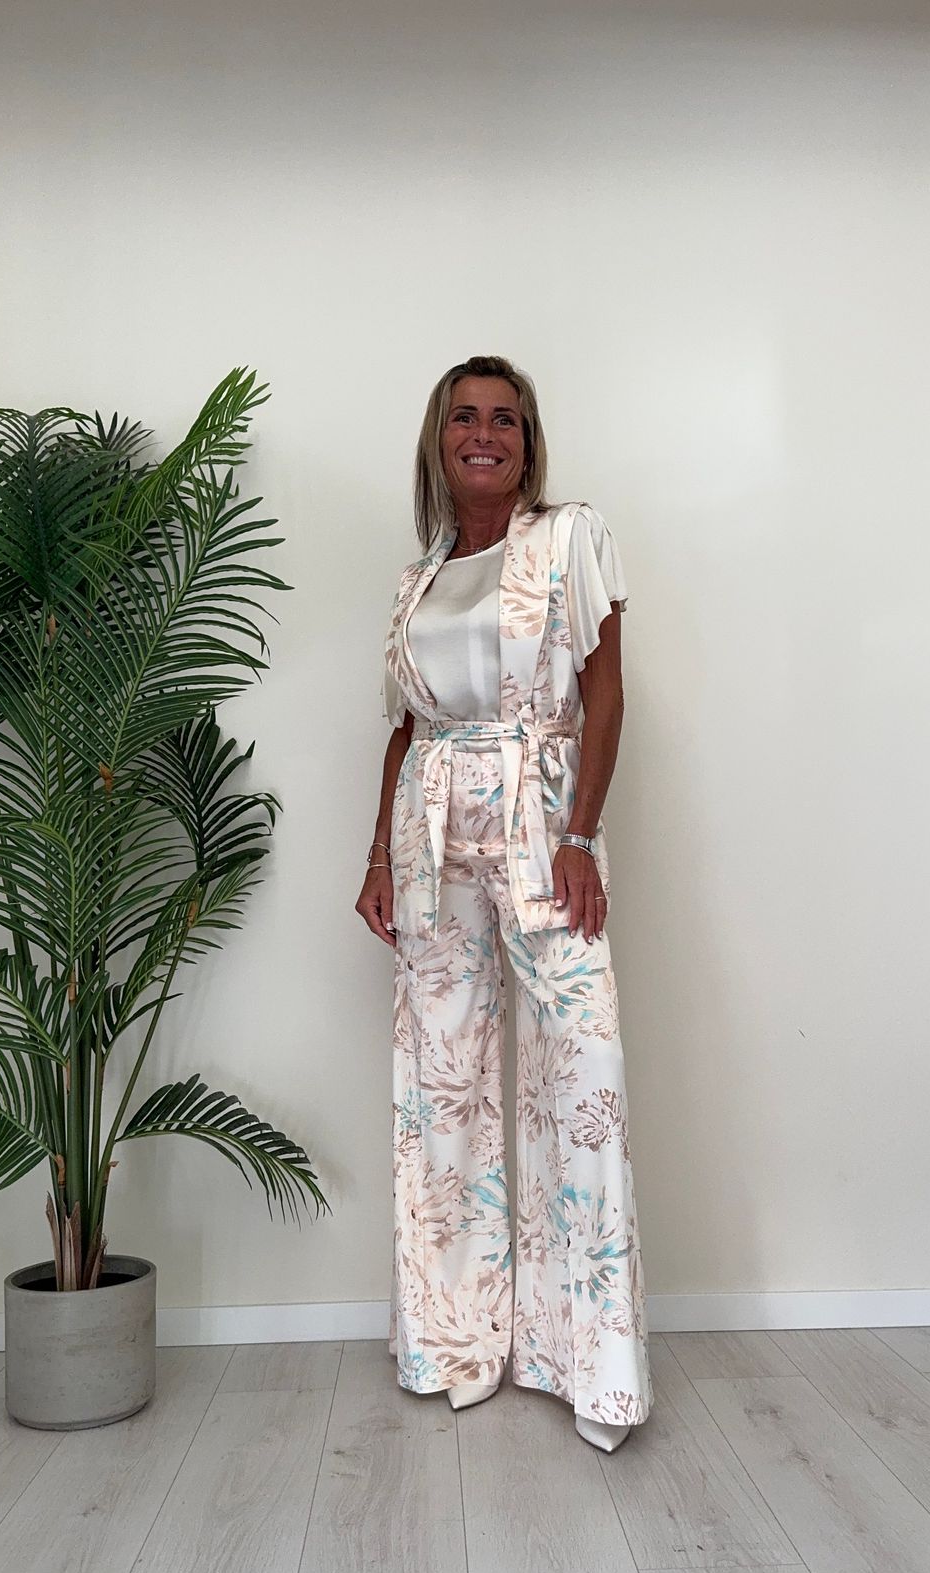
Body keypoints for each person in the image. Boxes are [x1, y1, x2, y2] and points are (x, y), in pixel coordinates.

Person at [356, 354, 652, 1453]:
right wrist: (378, 858)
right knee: (441, 1082)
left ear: (528, 445)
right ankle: (454, 1342)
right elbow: (407, 729)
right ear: (438, 441)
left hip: (540, 825)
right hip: (430, 840)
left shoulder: (568, 538)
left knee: (581, 1070)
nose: (484, 434)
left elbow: (605, 690)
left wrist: (578, 834)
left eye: (506, 420)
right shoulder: (416, 581)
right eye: (464, 418)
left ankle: (588, 1365)